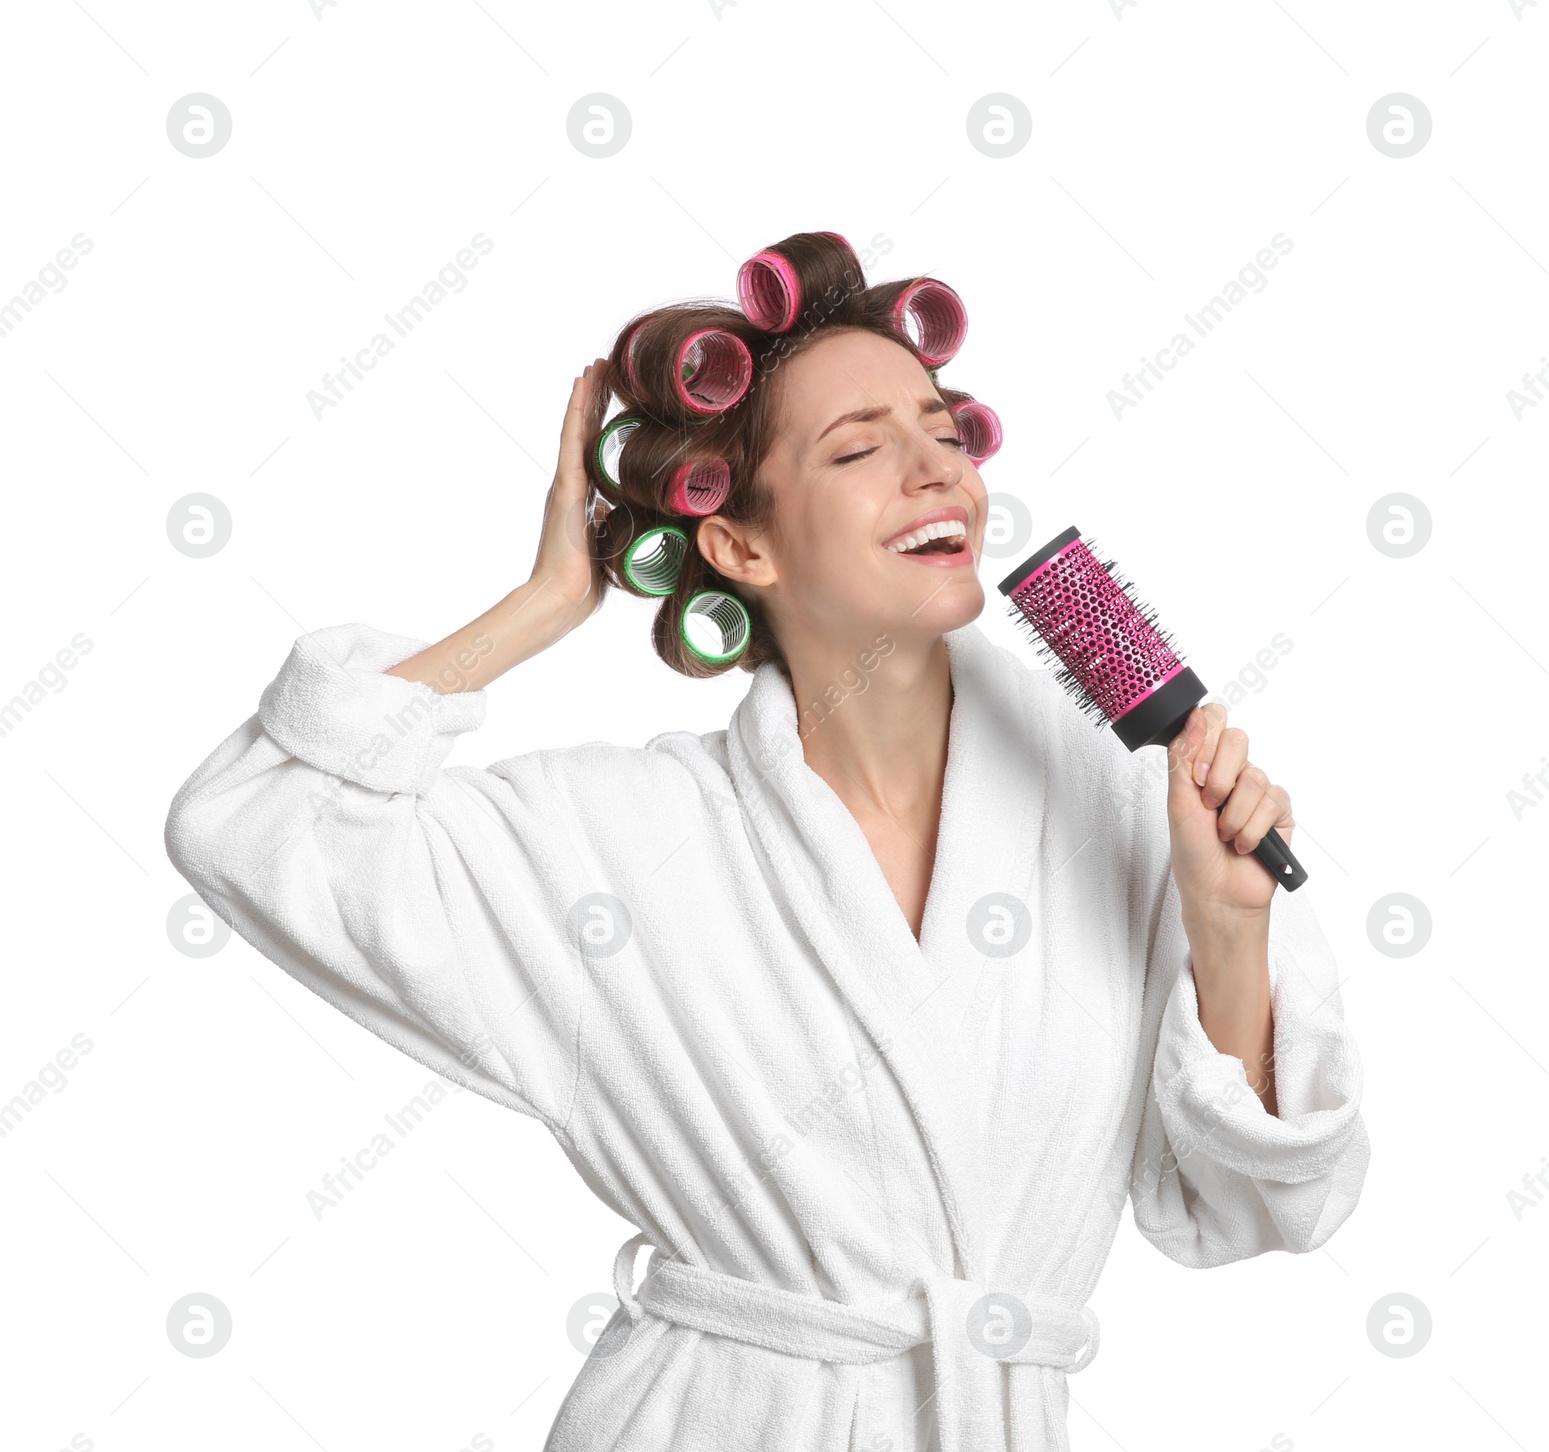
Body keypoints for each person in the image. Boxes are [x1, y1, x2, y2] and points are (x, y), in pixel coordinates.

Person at [164, 232, 1367, 1452]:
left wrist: (1226, 929)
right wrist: (536, 611)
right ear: (742, 547)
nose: (933, 469)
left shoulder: (1128, 807)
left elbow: (1269, 1202)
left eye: (943, 432)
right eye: (858, 449)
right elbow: (258, 823)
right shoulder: (620, 846)